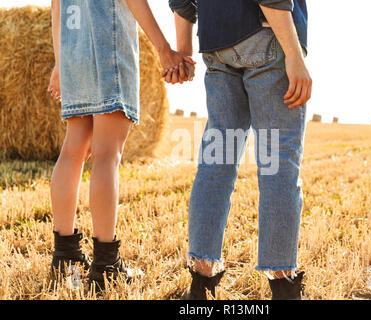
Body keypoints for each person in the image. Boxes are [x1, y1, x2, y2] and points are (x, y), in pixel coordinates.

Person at [166, 0, 312, 300]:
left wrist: (183, 50)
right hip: (267, 33)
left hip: (216, 44)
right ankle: (283, 285)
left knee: (216, 163)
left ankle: (201, 279)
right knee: (277, 164)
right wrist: (294, 54)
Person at [47, 0, 194, 290]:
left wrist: (60, 62)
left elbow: (57, 6)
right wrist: (164, 48)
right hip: (108, 45)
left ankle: (65, 256)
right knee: (106, 153)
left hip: (73, 51)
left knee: (72, 149)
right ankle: (105, 264)